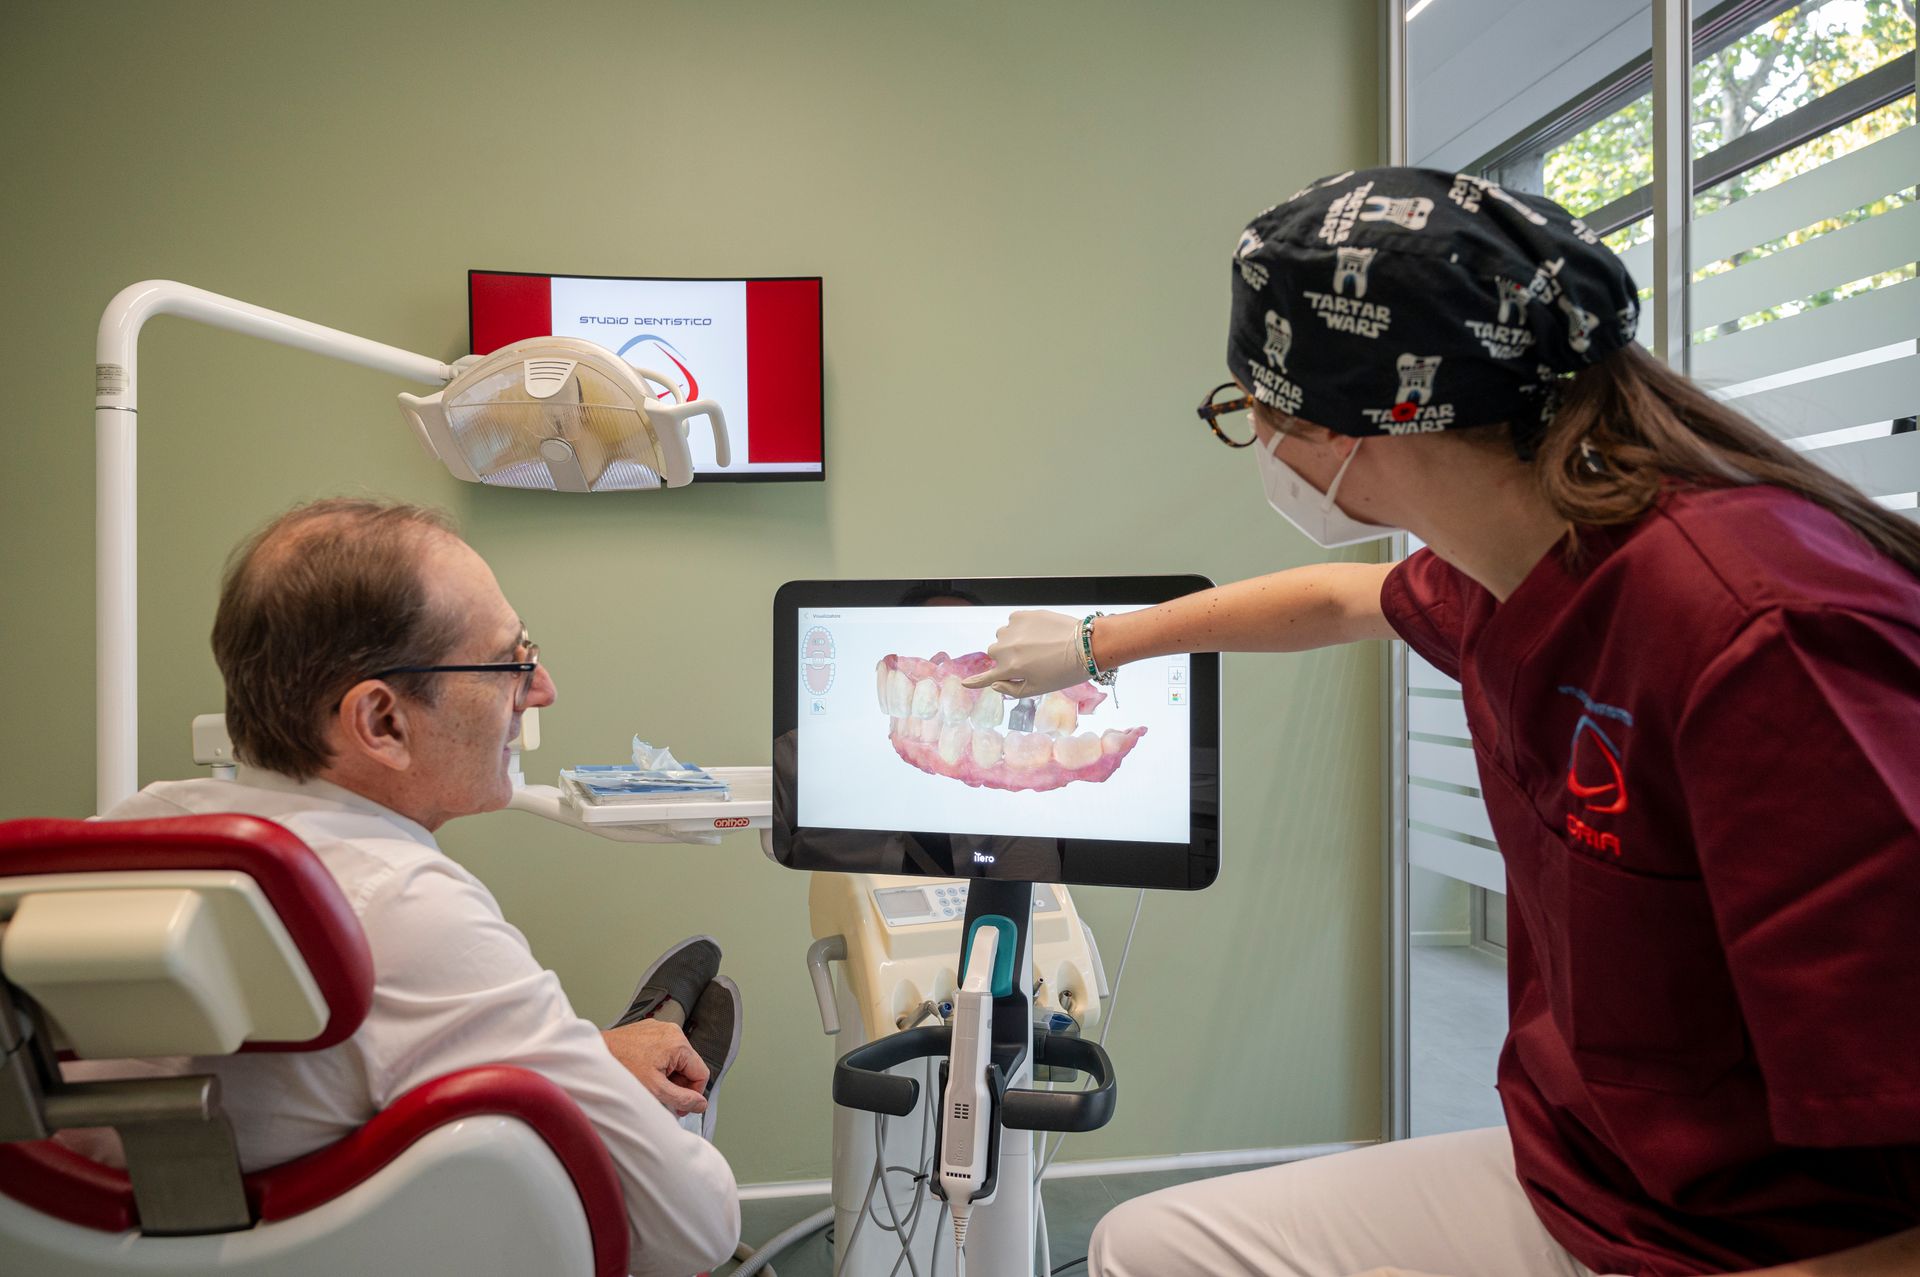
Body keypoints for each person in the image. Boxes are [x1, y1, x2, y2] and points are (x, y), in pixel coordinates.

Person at [963, 169, 1920, 1277]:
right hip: (1602, 1178)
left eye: (1257, 411)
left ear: (1369, 424)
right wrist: (1096, 644)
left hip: (1779, 1239)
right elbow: (1341, 600)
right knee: (1146, 1247)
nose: (1262, 441)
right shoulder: (1525, 562)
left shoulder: (1764, 640)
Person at [68, 498, 741, 1277]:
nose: (542, 688)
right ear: (382, 720)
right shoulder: (401, 903)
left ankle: (593, 1057)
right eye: (510, 661)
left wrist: (585, 1053)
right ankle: (671, 1102)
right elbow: (694, 1226)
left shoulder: (123, 834)